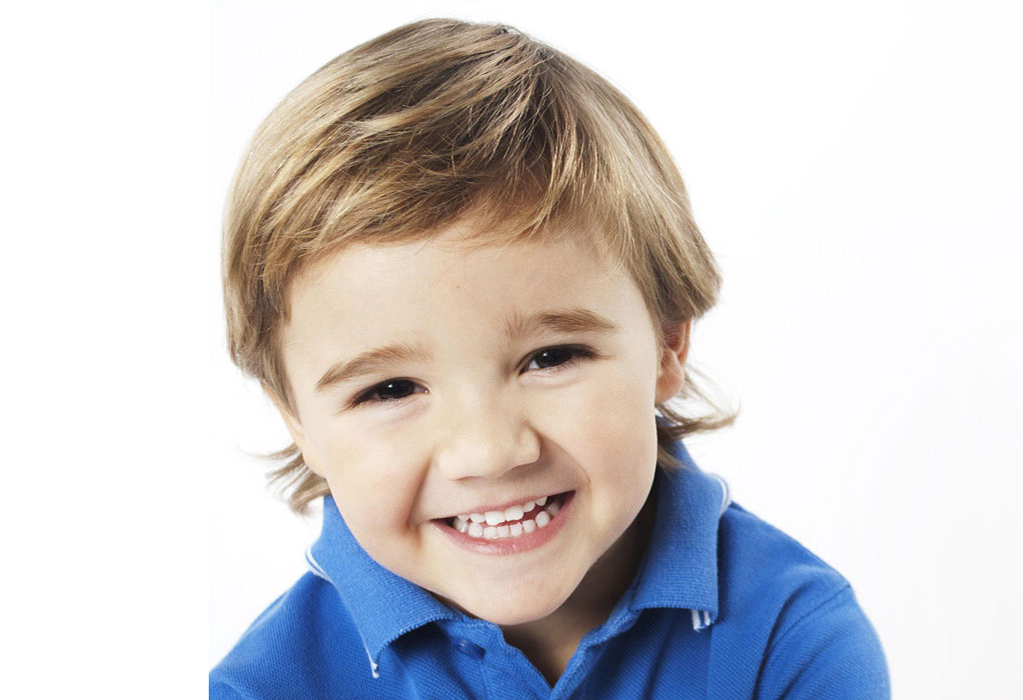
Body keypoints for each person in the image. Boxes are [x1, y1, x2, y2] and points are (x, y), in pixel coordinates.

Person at [210, 18, 890, 699]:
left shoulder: (789, 639)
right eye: (390, 389)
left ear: (667, 342)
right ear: (297, 421)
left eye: (549, 357)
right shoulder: (266, 685)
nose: (487, 451)